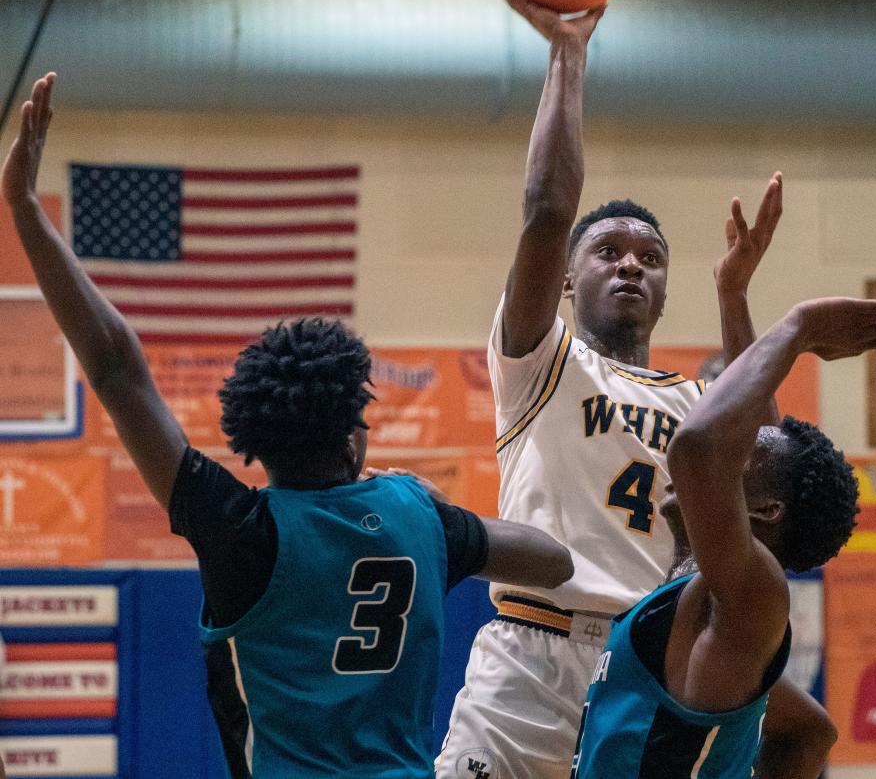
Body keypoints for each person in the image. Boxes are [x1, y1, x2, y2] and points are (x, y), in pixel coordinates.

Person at [2, 73, 575, 779]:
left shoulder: (239, 529)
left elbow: (117, 368)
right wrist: (434, 507)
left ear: (256, 446)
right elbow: (554, 560)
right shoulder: (417, 515)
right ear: (351, 438)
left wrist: (25, 208)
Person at [437, 0, 782, 779]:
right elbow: (548, 210)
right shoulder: (539, 360)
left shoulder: (696, 406)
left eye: (651, 256)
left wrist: (734, 295)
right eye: (609, 250)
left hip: (646, 665)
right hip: (530, 655)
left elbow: (771, 451)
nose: (631, 262)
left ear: (667, 286)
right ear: (565, 277)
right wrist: (569, 51)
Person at [571, 295, 876, 778]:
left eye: (735, 461)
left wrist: (799, 327)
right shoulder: (721, 631)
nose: (719, 458)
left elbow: (697, 448)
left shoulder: (751, 599)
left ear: (765, 511)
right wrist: (734, 294)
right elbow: (812, 731)